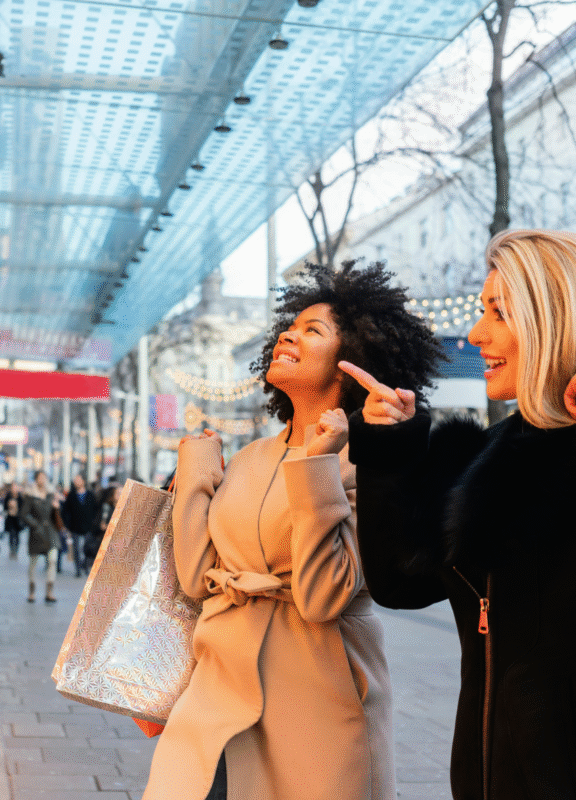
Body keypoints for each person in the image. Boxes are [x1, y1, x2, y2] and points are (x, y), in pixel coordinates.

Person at [343, 229, 576, 800]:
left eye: (499, 312)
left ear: (557, 319)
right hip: (485, 778)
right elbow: (398, 583)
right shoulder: (490, 455)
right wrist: (390, 448)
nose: (476, 333)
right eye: (480, 310)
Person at [143, 260, 443, 800]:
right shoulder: (250, 457)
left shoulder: (365, 463)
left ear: (351, 361)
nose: (289, 333)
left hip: (314, 714)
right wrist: (196, 471)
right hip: (211, 709)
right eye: (291, 325)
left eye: (313, 329)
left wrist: (317, 467)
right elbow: (194, 578)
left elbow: (322, 596)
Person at [21, 470, 60, 603]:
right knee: (33, 563)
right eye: (40, 477)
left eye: (44, 477)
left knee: (53, 561)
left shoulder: (51, 494)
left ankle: (50, 591)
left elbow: (59, 514)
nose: (42, 480)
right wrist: (35, 524)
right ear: (36, 479)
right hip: (36, 534)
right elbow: (24, 514)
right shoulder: (30, 496)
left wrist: (57, 508)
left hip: (51, 532)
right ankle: (32, 591)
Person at [62, 473, 100, 576]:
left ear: (83, 481)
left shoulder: (90, 495)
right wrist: (66, 524)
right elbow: (65, 511)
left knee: (87, 548)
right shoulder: (71, 495)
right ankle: (78, 570)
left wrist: (94, 523)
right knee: (76, 549)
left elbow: (96, 510)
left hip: (88, 527)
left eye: (78, 480)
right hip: (75, 527)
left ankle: (86, 567)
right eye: (75, 480)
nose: (76, 482)